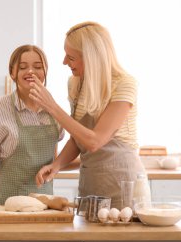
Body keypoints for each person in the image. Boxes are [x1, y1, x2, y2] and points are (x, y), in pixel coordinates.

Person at [30, 21, 146, 209]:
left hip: (124, 187)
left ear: (91, 58)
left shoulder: (124, 84)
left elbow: (94, 141)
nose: (64, 62)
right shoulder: (76, 84)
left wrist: (52, 106)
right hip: (91, 186)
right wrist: (57, 164)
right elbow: (78, 138)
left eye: (71, 57)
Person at [0, 45, 64, 205]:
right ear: (12, 72)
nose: (31, 71)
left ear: (45, 72)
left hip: (43, 204)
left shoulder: (53, 110)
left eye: (38, 67)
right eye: (22, 67)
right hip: (5, 204)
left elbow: (53, 162)